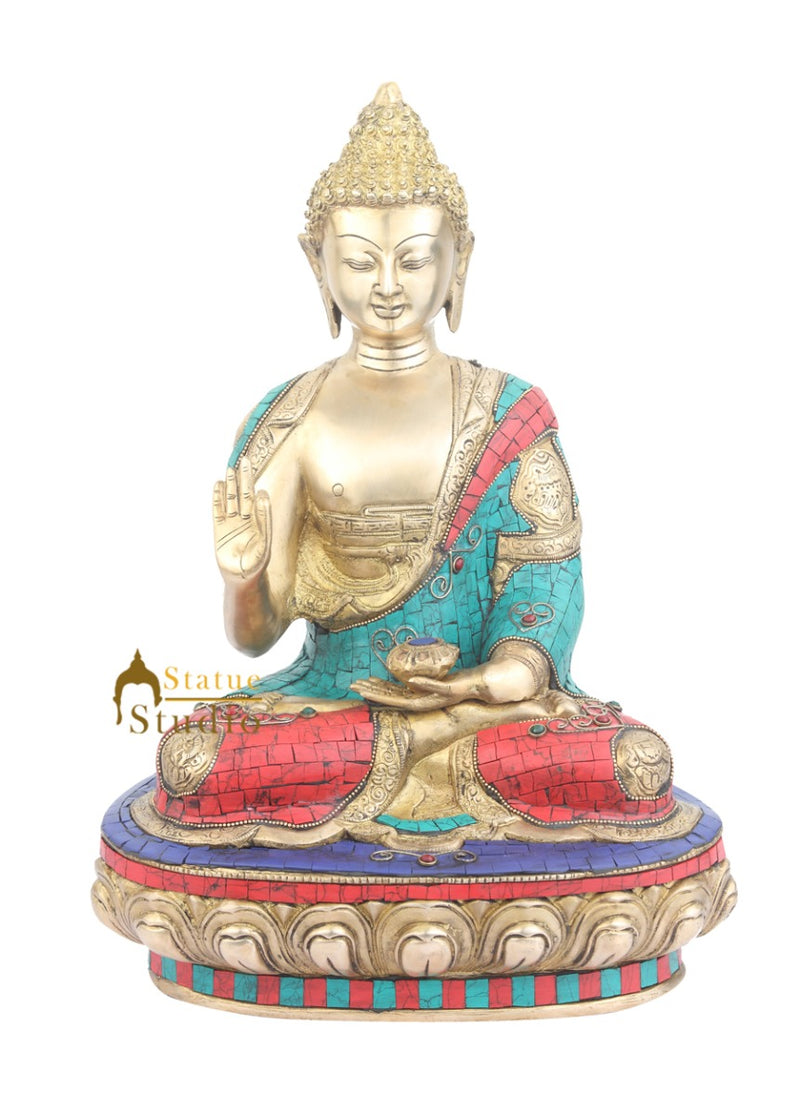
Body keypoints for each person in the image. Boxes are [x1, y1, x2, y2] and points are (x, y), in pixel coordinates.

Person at [146, 84, 683, 851]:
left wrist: (502, 675)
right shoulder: (289, 418)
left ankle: (433, 747)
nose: (389, 286)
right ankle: (419, 755)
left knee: (633, 763)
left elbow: (546, 584)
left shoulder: (509, 413)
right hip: (337, 704)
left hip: (487, 709)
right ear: (317, 262)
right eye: (361, 261)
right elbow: (256, 637)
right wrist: (244, 578)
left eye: (413, 259)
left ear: (460, 259)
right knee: (197, 761)